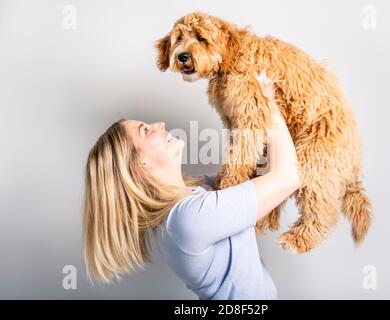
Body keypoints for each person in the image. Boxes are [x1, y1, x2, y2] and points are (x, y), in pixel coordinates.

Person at [82, 72, 300, 299]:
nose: (159, 124)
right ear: (140, 165)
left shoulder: (198, 194)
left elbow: (262, 172)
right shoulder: (188, 218)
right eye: (146, 130)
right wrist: (268, 102)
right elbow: (288, 176)